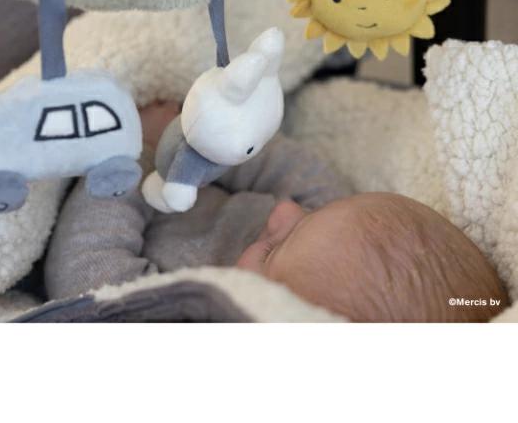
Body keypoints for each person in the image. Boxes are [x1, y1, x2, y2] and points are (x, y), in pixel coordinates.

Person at [44, 102, 508, 322]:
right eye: (306, 217)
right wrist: (203, 145)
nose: (284, 212)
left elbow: (87, 270)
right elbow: (286, 166)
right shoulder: (334, 225)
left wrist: (141, 154)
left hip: (107, 182)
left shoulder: (183, 317)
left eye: (271, 249)